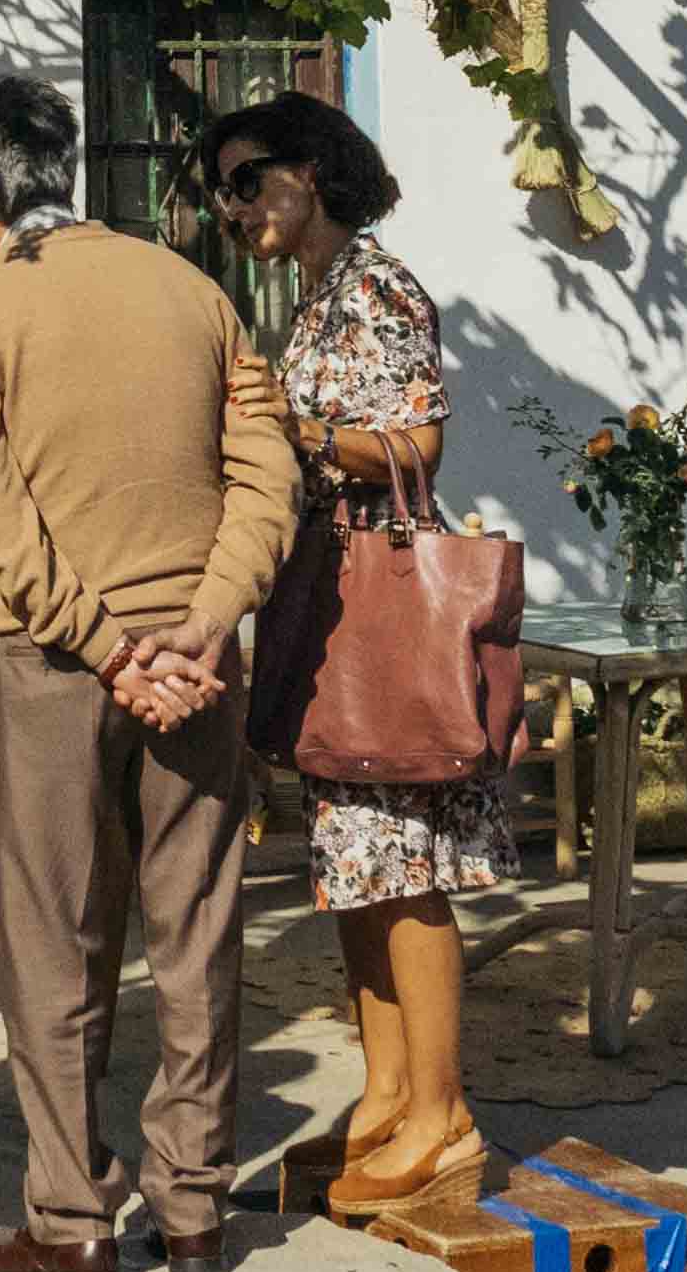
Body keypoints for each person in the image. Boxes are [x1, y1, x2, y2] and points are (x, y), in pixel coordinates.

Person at [0, 73, 292, 1272]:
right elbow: (266, 480)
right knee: (196, 930)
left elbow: (3, 531)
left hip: (54, 662)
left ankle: (73, 1216)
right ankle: (194, 1208)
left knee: (51, 939)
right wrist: (204, 623)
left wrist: (116, 648)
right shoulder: (197, 293)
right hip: (199, 660)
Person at [204, 88, 499, 1215]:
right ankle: (387, 1097)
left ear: (308, 173)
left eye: (246, 181)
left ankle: (444, 1113)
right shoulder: (322, 296)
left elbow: (420, 439)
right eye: (222, 191)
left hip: (383, 609)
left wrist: (299, 429)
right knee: (360, 864)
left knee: (408, 867)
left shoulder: (374, 286)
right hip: (335, 606)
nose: (233, 209)